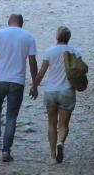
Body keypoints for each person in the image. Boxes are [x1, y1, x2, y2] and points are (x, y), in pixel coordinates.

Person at [0, 13, 38, 163]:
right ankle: (6, 151)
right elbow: (32, 62)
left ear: (9, 22)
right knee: (11, 116)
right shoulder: (28, 37)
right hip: (17, 82)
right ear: (22, 24)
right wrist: (35, 84)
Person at [31, 26, 81, 164]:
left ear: (57, 36)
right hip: (67, 91)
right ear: (69, 38)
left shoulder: (49, 51)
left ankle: (52, 156)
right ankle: (61, 142)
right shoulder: (74, 51)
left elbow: (41, 73)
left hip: (51, 91)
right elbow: (81, 71)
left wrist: (34, 87)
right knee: (63, 124)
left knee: (51, 123)